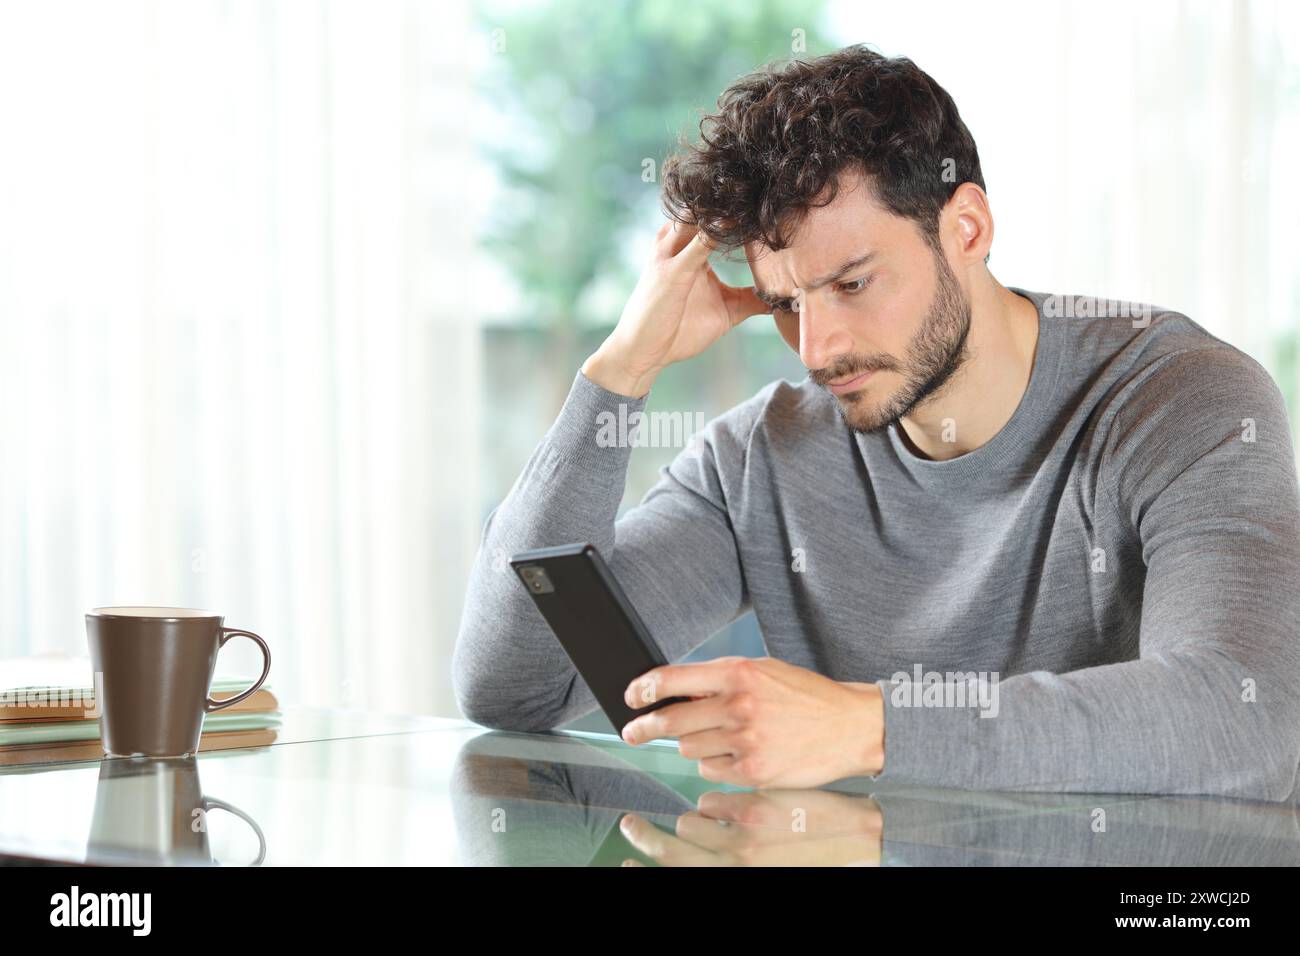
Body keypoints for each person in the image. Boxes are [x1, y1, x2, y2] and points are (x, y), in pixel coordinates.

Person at [454, 44, 1300, 800]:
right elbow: (513, 690)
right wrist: (619, 374)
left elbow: (1244, 715)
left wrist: (870, 727)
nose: (817, 349)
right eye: (785, 303)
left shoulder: (1180, 401)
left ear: (964, 227)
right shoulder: (762, 459)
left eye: (853, 283)